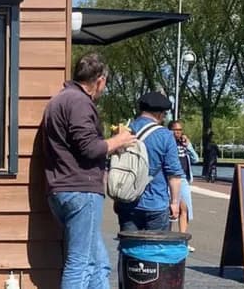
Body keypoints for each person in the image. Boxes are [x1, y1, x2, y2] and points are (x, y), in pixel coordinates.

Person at [43, 53, 137, 289]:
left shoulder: (59, 100)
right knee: (81, 264)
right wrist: (119, 140)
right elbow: (90, 148)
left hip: (61, 189)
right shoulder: (80, 103)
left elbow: (78, 146)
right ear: (100, 81)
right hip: (80, 190)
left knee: (99, 262)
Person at [113, 92, 184, 232]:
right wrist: (175, 203)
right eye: (164, 114)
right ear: (159, 114)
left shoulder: (124, 132)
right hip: (156, 203)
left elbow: (117, 166)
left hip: (127, 201)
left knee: (129, 248)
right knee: (155, 250)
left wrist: (117, 198)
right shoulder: (165, 136)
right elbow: (174, 175)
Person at [169, 120, 199, 249]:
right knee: (170, 210)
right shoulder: (168, 144)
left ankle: (183, 241)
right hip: (170, 179)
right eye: (175, 130)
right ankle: (166, 238)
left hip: (184, 180)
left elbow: (196, 159)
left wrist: (189, 146)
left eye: (180, 130)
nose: (178, 132)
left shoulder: (184, 144)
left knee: (185, 209)